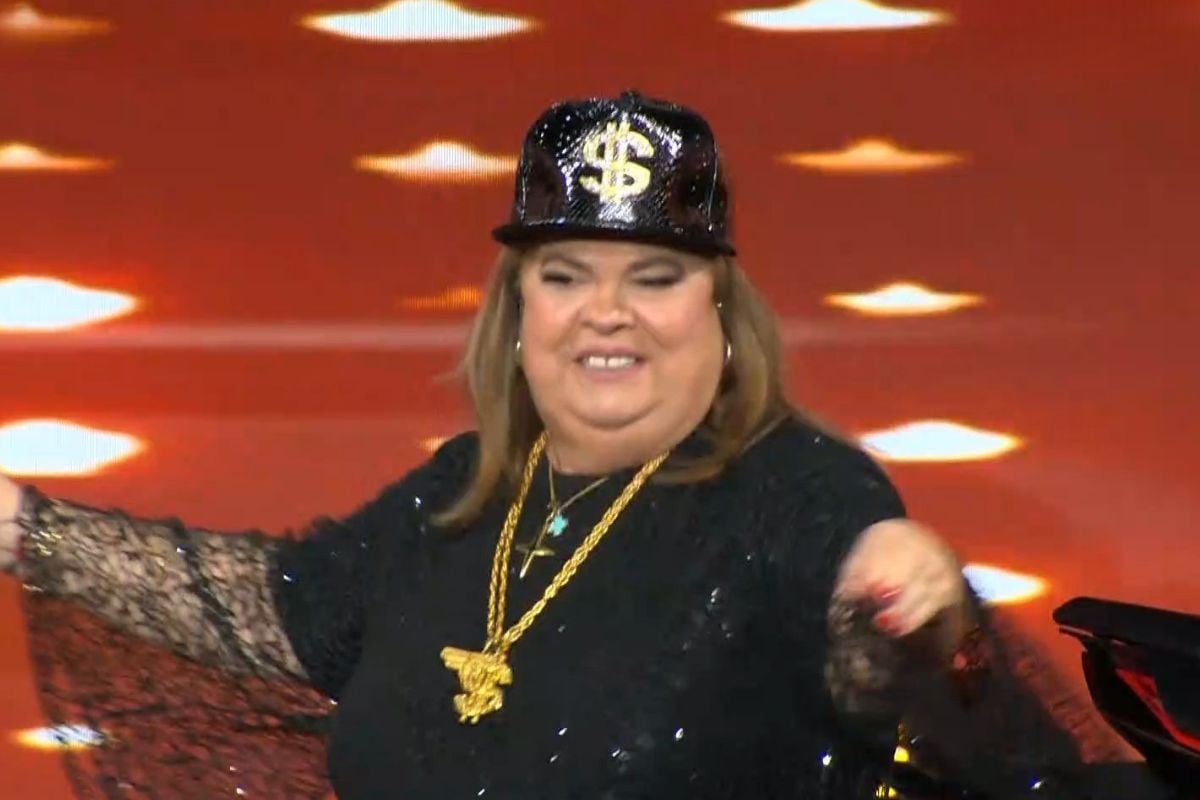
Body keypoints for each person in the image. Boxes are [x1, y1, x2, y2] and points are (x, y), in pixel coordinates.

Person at [0, 91, 1173, 799]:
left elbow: (888, 629)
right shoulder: (463, 494)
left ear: (721, 312)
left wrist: (913, 598)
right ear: (518, 311)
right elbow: (274, 605)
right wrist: (26, 528)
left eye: (653, 277)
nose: (605, 313)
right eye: (566, 275)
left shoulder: (793, 491)